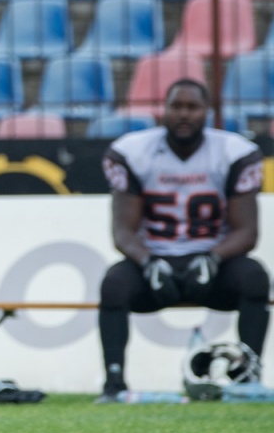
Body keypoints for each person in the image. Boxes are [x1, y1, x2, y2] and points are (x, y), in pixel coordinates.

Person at [97, 79, 269, 403]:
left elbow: (247, 231)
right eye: (177, 106)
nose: (184, 114)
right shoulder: (134, 152)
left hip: (211, 262)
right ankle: (114, 383)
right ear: (164, 110)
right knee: (114, 284)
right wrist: (148, 261)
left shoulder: (233, 152)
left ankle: (248, 377)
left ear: (207, 112)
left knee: (254, 278)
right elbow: (122, 231)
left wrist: (213, 258)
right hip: (157, 261)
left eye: (192, 107)